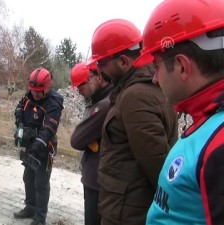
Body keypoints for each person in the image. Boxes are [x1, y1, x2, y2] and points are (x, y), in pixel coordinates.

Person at [133, 0, 224, 224]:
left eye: (156, 66)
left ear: (182, 66)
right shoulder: (208, 121)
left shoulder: (219, 143)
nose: (154, 77)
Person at [87, 19, 178, 225]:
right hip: (127, 208)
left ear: (123, 62)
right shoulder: (139, 89)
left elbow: (157, 164)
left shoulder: (136, 96)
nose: (99, 70)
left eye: (101, 63)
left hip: (128, 215)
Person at [13, 68, 64, 225]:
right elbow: (19, 108)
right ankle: (30, 208)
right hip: (28, 144)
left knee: (41, 183)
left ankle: (40, 218)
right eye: (33, 90)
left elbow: (48, 129)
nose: (35, 94)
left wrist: (37, 146)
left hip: (43, 147)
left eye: (38, 91)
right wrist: (20, 124)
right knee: (28, 178)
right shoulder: (29, 96)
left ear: (47, 87)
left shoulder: (54, 102)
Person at [69, 62, 113, 225]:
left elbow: (76, 140)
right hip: (95, 178)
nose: (80, 92)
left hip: (97, 181)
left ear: (98, 78)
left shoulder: (104, 105)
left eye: (81, 87)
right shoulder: (96, 101)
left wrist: (88, 138)